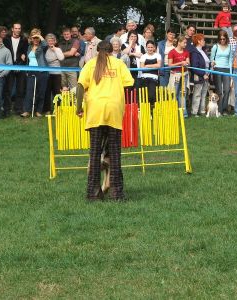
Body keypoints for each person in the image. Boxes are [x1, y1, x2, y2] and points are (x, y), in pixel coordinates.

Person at [76, 41, 134, 201]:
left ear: (97, 51)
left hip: (95, 110)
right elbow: (129, 84)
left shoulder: (90, 64)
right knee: (115, 154)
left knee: (94, 153)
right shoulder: (119, 63)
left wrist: (78, 108)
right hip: (114, 110)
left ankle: (93, 194)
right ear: (111, 51)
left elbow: (80, 86)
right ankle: (117, 194)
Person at [20, 29, 49, 118]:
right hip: (31, 70)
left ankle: (38, 110)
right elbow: (29, 57)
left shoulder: (42, 46)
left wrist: (39, 36)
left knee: (41, 91)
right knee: (29, 91)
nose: (35, 39)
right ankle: (26, 111)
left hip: (42, 71)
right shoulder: (29, 47)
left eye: (37, 38)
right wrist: (24, 55)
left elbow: (45, 44)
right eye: (34, 38)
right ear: (31, 38)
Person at [3, 23, 29, 116]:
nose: (17, 30)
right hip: (9, 66)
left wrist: (23, 59)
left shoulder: (24, 40)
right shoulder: (6, 40)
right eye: (16, 28)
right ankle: (6, 110)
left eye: (19, 28)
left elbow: (25, 54)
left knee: (20, 89)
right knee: (8, 89)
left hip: (20, 66)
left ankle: (18, 109)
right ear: (12, 29)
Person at [210, 30, 233, 115]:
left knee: (227, 90)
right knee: (219, 90)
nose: (222, 41)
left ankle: (225, 109)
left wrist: (231, 74)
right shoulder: (215, 46)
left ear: (226, 38)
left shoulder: (230, 47)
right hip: (217, 69)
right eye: (220, 39)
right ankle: (219, 110)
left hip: (226, 69)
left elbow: (230, 60)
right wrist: (212, 62)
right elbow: (212, 58)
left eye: (224, 39)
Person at [168, 35, 190, 117]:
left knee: (183, 94)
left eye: (186, 43)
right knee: (174, 93)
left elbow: (188, 62)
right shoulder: (172, 52)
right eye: (184, 43)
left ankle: (183, 113)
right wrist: (180, 63)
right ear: (179, 42)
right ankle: (173, 112)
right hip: (175, 75)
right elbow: (170, 65)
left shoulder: (186, 52)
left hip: (185, 74)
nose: (185, 44)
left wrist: (186, 63)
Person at [190, 33, 210, 117]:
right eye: (203, 40)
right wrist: (202, 74)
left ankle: (202, 111)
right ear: (198, 41)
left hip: (206, 75)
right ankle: (194, 112)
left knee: (204, 93)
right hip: (199, 76)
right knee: (197, 94)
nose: (204, 41)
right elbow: (194, 67)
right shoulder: (195, 52)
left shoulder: (203, 51)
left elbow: (205, 63)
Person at [44, 33, 64, 114]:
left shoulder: (58, 49)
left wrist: (54, 49)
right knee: (47, 92)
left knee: (57, 92)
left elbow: (61, 58)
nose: (50, 42)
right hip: (48, 74)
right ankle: (47, 110)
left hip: (57, 74)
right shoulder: (45, 49)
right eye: (49, 41)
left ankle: (57, 110)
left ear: (55, 41)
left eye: (52, 41)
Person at [139, 40, 161, 107]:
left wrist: (148, 66)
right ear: (146, 48)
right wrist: (154, 65)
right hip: (144, 78)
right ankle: (146, 111)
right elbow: (142, 67)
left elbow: (159, 65)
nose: (150, 49)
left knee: (152, 95)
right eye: (148, 47)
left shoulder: (158, 55)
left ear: (154, 48)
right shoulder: (143, 56)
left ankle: (153, 110)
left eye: (151, 47)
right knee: (145, 96)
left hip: (154, 78)